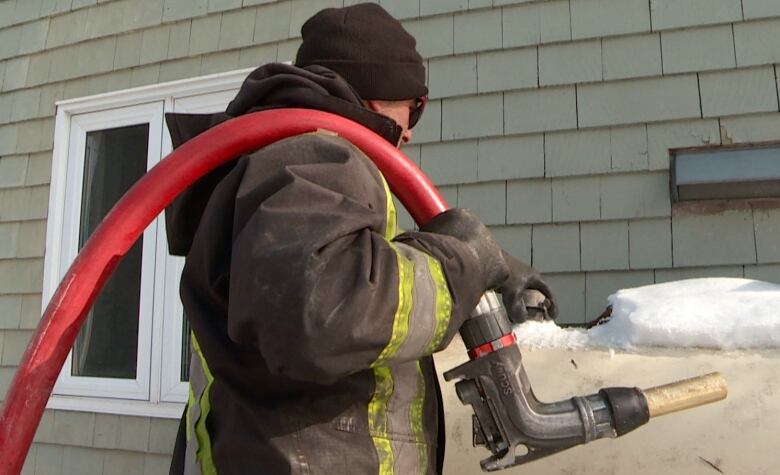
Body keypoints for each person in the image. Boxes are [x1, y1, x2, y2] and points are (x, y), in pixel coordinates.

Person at [165, 4, 557, 474]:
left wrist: (483, 271)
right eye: (415, 106)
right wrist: (464, 263)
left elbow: (326, 270)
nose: (409, 131)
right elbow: (327, 309)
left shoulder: (280, 162)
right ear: (376, 94)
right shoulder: (315, 155)